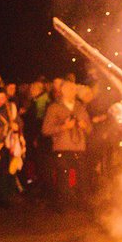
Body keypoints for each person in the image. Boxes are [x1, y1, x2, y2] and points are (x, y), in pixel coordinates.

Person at [41, 78, 92, 209]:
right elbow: (46, 130)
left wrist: (84, 126)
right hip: (62, 148)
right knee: (63, 177)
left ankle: (82, 203)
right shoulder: (54, 107)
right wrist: (63, 127)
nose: (73, 91)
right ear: (63, 91)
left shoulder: (80, 107)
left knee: (82, 177)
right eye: (70, 89)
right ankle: (62, 205)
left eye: (74, 89)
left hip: (79, 147)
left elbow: (90, 129)